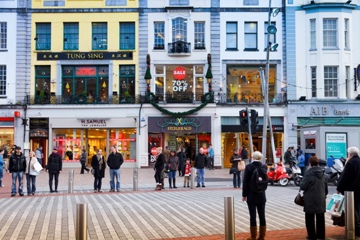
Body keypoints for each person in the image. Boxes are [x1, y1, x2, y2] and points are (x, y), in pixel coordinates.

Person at [300, 156, 328, 240]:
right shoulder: (323, 173)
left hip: (310, 198)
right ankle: (321, 235)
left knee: (309, 218)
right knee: (320, 217)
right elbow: (325, 187)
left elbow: (303, 186)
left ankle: (311, 236)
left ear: (310, 163)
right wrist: (324, 195)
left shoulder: (308, 173)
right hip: (321, 197)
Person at [242, 151, 268, 240]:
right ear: (260, 158)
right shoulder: (264, 166)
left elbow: (245, 182)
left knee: (252, 215)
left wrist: (244, 195)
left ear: (252, 157)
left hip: (251, 194)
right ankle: (262, 236)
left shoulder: (249, 167)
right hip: (261, 194)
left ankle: (253, 236)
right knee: (262, 215)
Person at [337, 146, 360, 237]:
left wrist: (339, 188)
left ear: (350, 154)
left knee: (353, 210)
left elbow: (345, 177)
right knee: (358, 209)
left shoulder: (351, 163)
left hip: (351, 191)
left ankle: (357, 229)